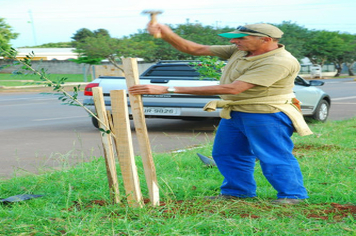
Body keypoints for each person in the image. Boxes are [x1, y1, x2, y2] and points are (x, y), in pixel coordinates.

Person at [128, 22, 313, 204]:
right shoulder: (241, 51)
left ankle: (293, 196)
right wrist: (166, 33)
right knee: (227, 153)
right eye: (233, 38)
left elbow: (234, 89)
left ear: (265, 40)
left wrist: (167, 89)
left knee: (273, 155)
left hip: (266, 113)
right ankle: (238, 192)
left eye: (240, 38)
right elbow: (196, 49)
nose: (234, 42)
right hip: (236, 111)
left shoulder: (279, 61)